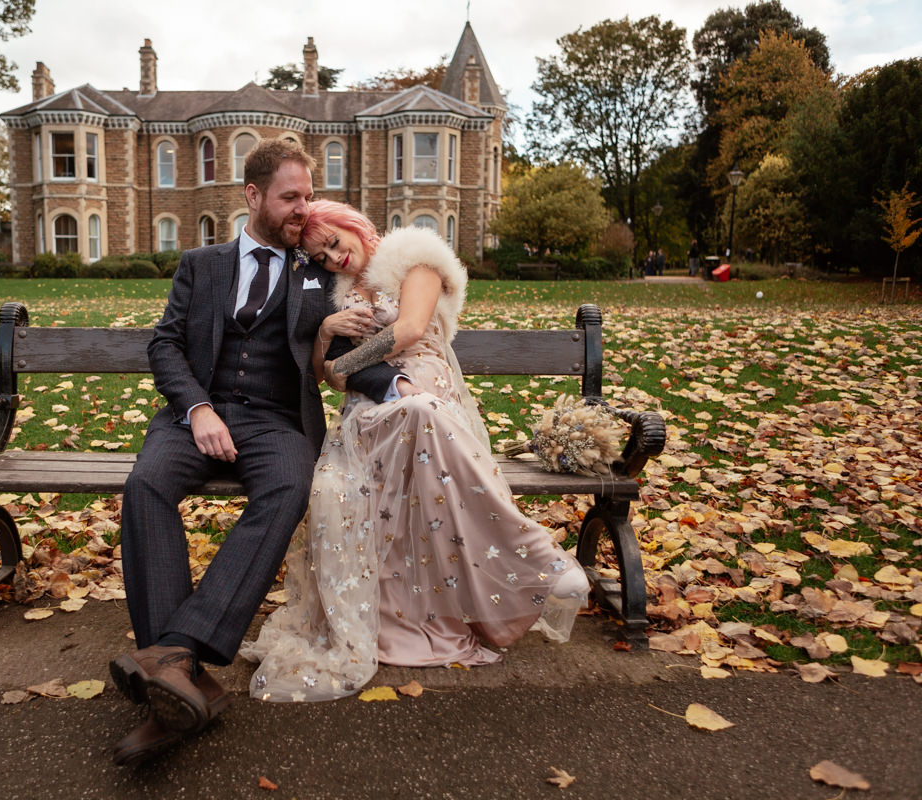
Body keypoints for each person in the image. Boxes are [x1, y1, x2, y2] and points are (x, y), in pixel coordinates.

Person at [109, 141, 399, 764]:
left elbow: (361, 349)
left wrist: (390, 375)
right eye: (290, 197)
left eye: (308, 196)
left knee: (291, 487)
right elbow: (165, 347)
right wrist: (198, 409)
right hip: (198, 415)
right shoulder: (202, 263)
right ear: (253, 197)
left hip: (276, 420)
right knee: (146, 485)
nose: (303, 208)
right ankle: (181, 672)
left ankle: (171, 657)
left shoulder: (323, 272)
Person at [240, 201, 590, 702]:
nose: (333, 258)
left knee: (422, 411)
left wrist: (348, 364)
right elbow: (325, 374)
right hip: (367, 413)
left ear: (353, 226)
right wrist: (324, 334)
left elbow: (406, 331)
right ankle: (409, 613)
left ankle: (536, 558)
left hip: (426, 385)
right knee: (366, 461)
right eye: (319, 256)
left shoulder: (414, 256)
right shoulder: (337, 298)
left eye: (335, 242)